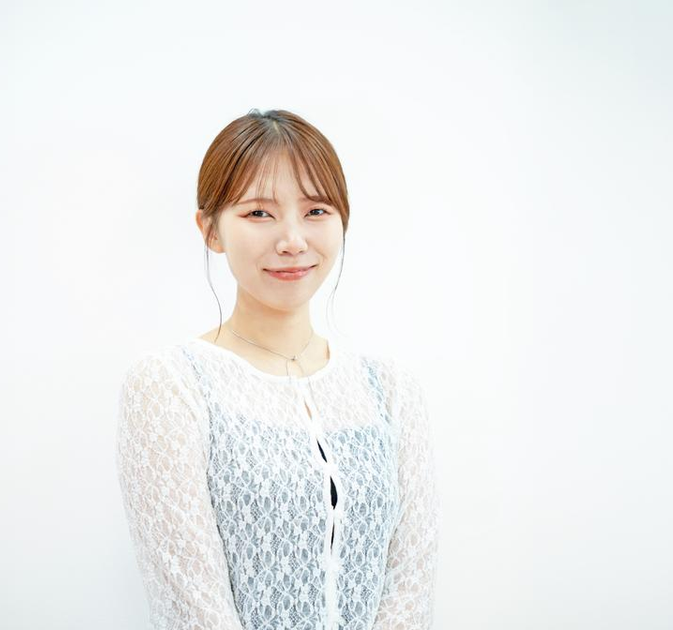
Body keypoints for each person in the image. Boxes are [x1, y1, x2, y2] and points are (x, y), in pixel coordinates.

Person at [115, 109, 440, 630]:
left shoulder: (390, 390)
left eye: (316, 210)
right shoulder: (172, 386)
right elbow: (191, 606)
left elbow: (412, 587)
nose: (292, 240)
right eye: (259, 213)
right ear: (210, 230)